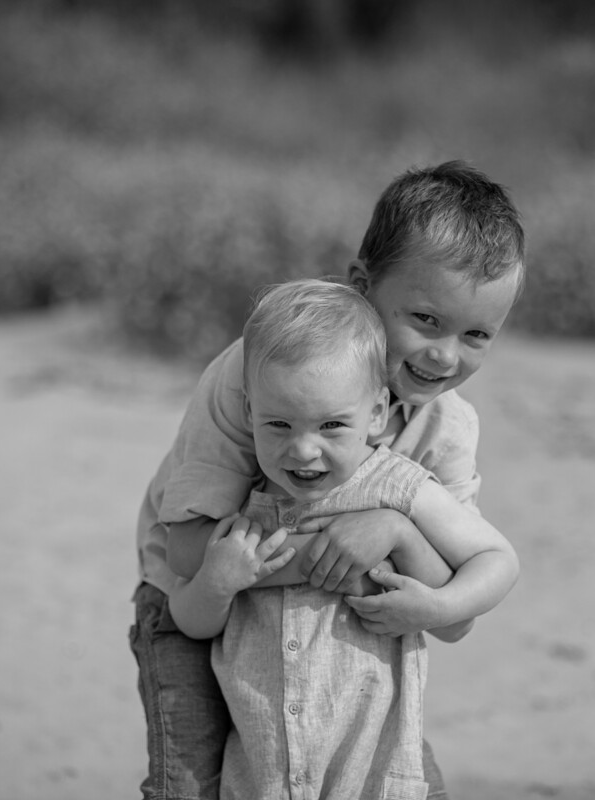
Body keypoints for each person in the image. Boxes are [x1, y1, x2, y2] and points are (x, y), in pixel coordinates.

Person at [129, 160, 526, 799]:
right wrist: (343, 555)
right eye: (425, 319)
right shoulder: (256, 374)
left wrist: (395, 530)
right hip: (195, 597)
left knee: (383, 773)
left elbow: (455, 616)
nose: (445, 355)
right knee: (190, 785)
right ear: (364, 284)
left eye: (476, 334)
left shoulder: (446, 428)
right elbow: (188, 551)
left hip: (332, 622)